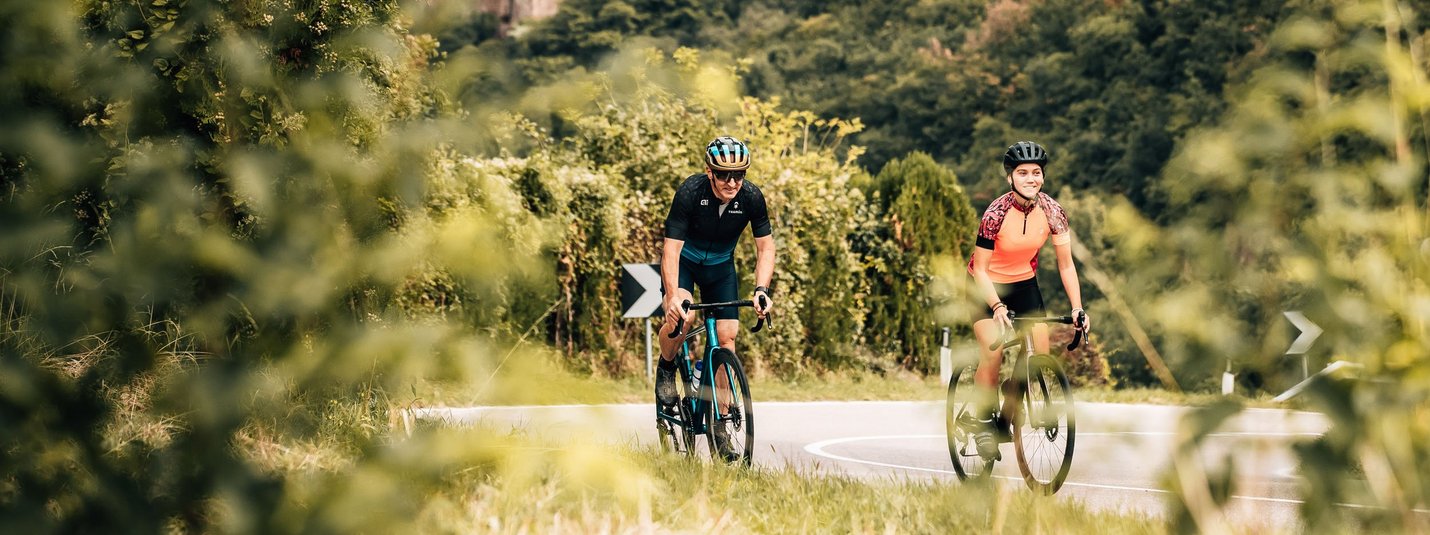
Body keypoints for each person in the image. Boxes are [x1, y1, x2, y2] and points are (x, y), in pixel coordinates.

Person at [966, 140, 1090, 461]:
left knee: (1040, 354)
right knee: (992, 353)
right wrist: (995, 306)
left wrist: (1077, 307)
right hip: (985, 285)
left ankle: (1014, 395)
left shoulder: (1053, 212)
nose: (1030, 178)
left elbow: (1066, 265)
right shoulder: (995, 214)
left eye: (1036, 172)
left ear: (1043, 177)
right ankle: (981, 419)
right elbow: (979, 269)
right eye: (1023, 173)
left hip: (1024, 283)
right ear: (1010, 178)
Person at [656, 136, 776, 460]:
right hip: (685, 264)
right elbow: (671, 250)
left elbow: (765, 248)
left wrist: (762, 289)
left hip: (721, 268)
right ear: (709, 172)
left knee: (727, 338)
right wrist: (671, 296)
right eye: (724, 174)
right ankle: (667, 368)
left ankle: (720, 423)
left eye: (739, 174)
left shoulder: (751, 197)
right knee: (683, 317)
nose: (732, 182)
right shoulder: (690, 193)